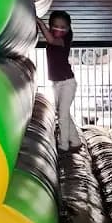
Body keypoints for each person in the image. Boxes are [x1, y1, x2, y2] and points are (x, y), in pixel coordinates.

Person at [36, 10, 81, 152]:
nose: (59, 29)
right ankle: (75, 141)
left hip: (68, 82)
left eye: (63, 27)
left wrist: (39, 22)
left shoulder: (65, 39)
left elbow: (50, 40)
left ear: (68, 29)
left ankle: (64, 145)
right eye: (56, 26)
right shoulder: (54, 35)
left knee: (62, 115)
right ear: (51, 26)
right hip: (56, 83)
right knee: (63, 113)